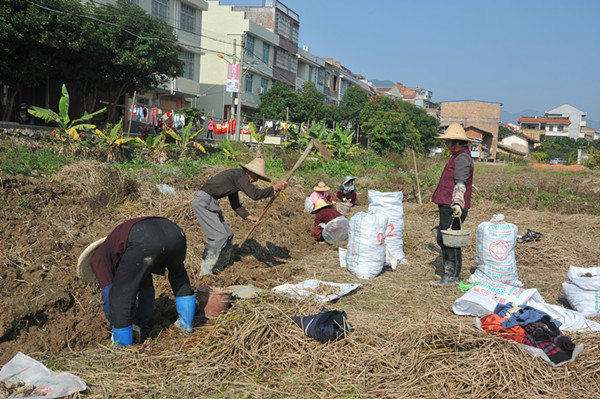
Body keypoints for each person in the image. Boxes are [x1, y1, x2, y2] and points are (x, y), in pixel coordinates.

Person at [76, 217, 196, 347]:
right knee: (178, 275)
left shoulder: (98, 258)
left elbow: (110, 295)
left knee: (121, 294)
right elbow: (147, 290)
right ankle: (186, 326)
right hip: (175, 233)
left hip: (145, 238)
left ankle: (123, 345)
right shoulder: (126, 251)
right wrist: (139, 323)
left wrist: (116, 326)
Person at [192, 157, 288, 276]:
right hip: (204, 202)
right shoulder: (241, 177)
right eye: (256, 179)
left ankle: (220, 269)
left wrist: (249, 217)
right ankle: (205, 273)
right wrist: (274, 188)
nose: (255, 181)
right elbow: (255, 194)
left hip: (211, 202)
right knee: (218, 237)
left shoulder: (236, 178)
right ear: (251, 174)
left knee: (228, 234)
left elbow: (235, 204)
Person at [430, 123, 474, 287]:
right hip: (449, 204)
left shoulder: (462, 158)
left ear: (455, 142)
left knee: (448, 239)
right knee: (452, 239)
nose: (446, 144)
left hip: (452, 205)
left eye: (448, 141)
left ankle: (450, 277)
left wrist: (457, 203)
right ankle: (453, 276)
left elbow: (460, 183)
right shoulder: (459, 155)